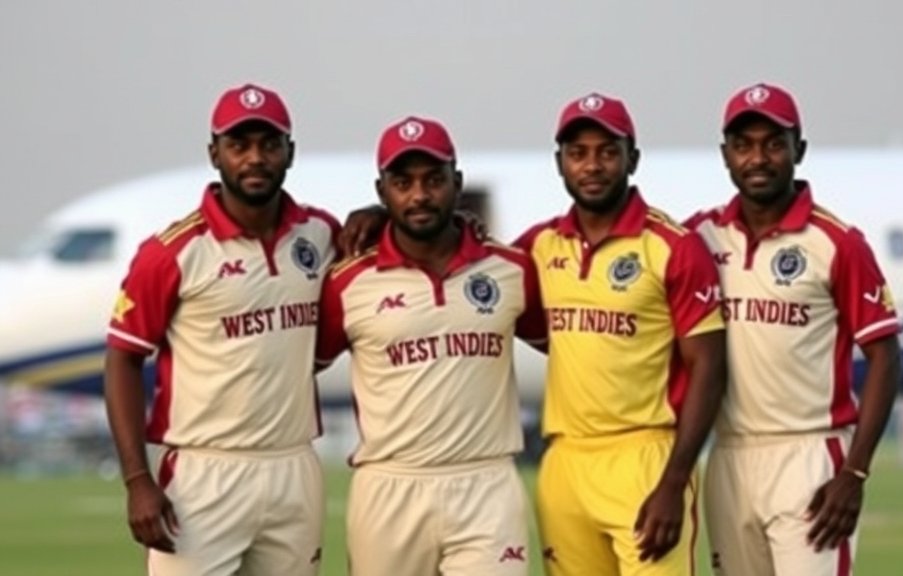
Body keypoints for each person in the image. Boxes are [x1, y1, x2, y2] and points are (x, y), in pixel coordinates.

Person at [104, 83, 338, 576]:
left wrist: (378, 215)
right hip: (203, 473)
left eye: (269, 145)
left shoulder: (320, 235)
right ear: (215, 153)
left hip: (293, 466)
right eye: (239, 145)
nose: (255, 158)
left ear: (289, 152)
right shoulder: (172, 252)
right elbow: (123, 359)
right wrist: (136, 479)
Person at [684, 83, 903, 576]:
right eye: (744, 145)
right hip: (729, 457)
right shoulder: (698, 238)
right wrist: (467, 230)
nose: (758, 158)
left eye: (773, 143)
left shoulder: (837, 242)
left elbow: (887, 356)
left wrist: (855, 471)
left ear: (798, 149)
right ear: (725, 155)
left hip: (811, 455)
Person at [314, 116, 547, 576]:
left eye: (434, 180)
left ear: (457, 184)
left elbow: (576, 345)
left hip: (487, 485)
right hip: (390, 487)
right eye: (403, 182)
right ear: (382, 192)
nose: (419, 195)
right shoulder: (347, 283)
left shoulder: (511, 269)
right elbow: (290, 364)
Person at [512, 93, 727, 576]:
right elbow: (463, 259)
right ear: (560, 163)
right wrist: (377, 218)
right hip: (564, 461)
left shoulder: (674, 247)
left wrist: (674, 481)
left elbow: (709, 368)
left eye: (608, 152)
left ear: (633, 158)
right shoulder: (541, 245)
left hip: (645, 458)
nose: (592, 166)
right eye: (578, 153)